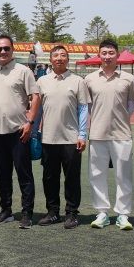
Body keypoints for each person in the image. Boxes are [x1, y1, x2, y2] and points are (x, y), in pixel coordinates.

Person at [0, 35, 39, 229]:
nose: (2, 52)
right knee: (2, 175)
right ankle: (6, 210)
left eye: (6, 48)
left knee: (24, 175)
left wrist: (30, 122)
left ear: (12, 50)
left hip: (19, 132)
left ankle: (27, 213)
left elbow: (35, 97)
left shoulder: (23, 71)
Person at [84, 40, 134, 231]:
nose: (107, 56)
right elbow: (88, 106)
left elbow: (131, 105)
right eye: (104, 53)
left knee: (124, 175)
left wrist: (118, 119)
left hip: (122, 134)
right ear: (99, 55)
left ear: (117, 55)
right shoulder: (89, 79)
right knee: (97, 175)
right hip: (97, 134)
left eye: (111, 53)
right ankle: (102, 213)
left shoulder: (128, 79)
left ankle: (123, 214)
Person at [36, 45, 89, 229]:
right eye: (56, 55)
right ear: (50, 59)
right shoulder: (42, 81)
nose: (59, 58)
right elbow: (38, 110)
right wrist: (34, 132)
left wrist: (82, 134)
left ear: (68, 59)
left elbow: (83, 109)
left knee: (72, 178)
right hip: (48, 138)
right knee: (49, 178)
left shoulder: (78, 81)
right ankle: (52, 212)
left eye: (63, 55)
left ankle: (72, 213)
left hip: (71, 139)